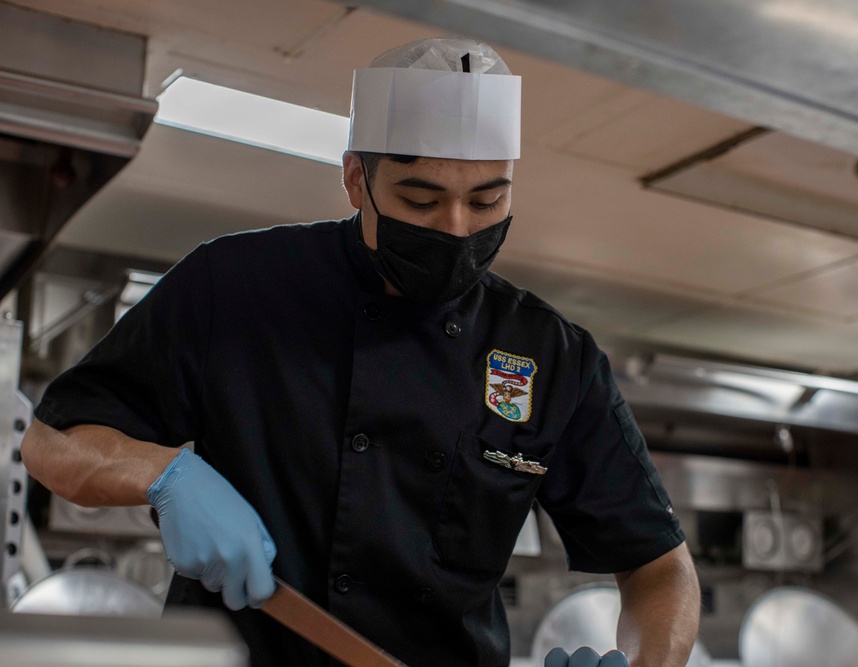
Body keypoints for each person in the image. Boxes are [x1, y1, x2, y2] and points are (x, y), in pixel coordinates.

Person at [21, 37, 700, 667]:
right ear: (355, 180)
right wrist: (165, 475)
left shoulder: (551, 356)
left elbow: (660, 566)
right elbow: (52, 445)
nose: (458, 229)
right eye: (421, 199)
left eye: (488, 199)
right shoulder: (235, 287)